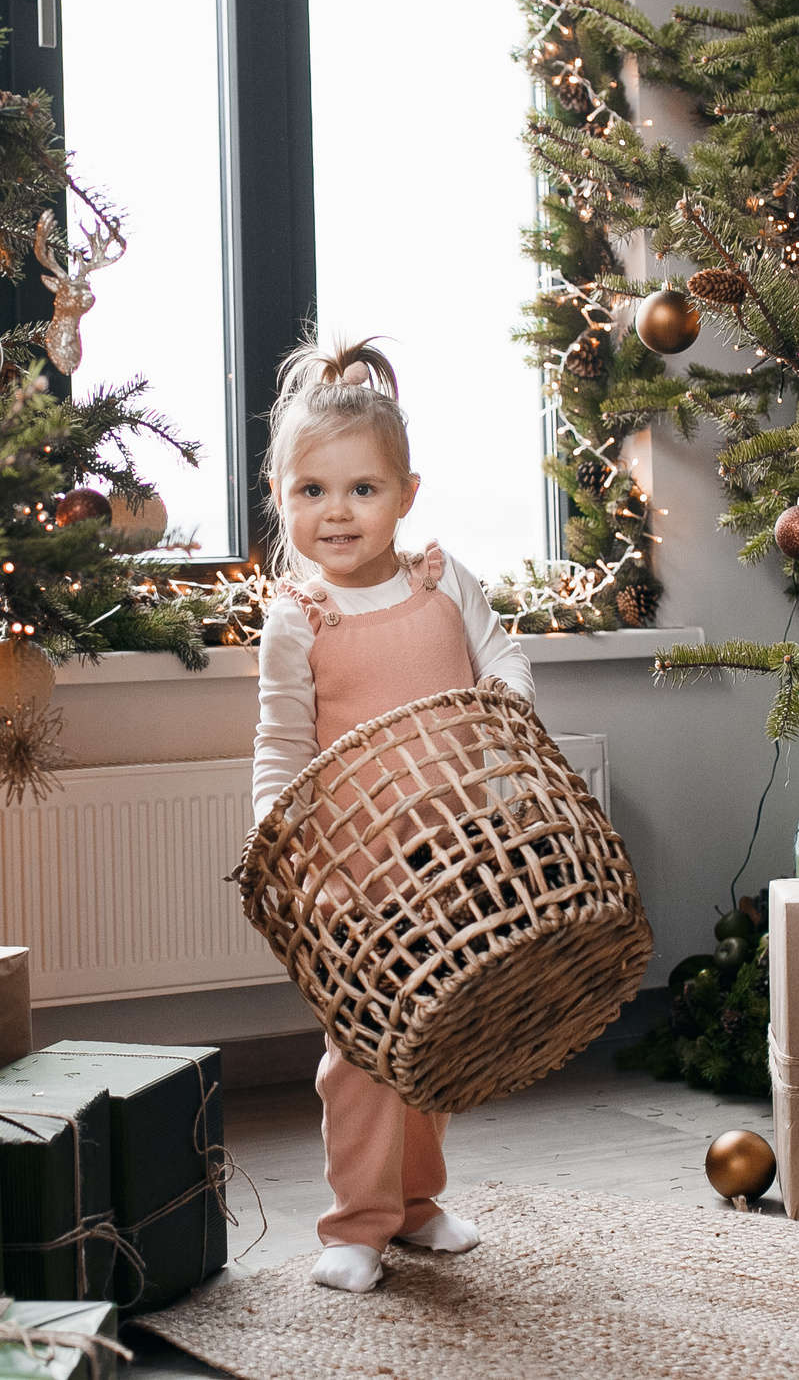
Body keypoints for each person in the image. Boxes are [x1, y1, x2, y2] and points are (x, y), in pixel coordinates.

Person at [250, 334, 534, 1294]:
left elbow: (503, 656)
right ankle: (357, 1222)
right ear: (281, 496)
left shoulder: (442, 581)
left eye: (363, 489)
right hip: (355, 869)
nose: (337, 511)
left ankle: (414, 1202)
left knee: (435, 1032)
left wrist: (506, 707)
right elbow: (281, 742)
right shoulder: (299, 617)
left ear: (407, 494)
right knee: (364, 1048)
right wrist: (275, 830)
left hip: (456, 857)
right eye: (312, 490)